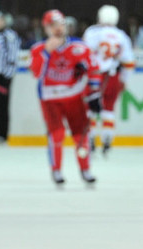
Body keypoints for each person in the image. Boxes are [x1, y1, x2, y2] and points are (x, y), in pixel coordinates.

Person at [29, 10, 101, 185]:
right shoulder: (38, 49)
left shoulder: (80, 47)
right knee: (56, 135)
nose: (58, 29)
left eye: (60, 24)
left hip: (74, 96)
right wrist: (46, 52)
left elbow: (94, 69)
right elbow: (36, 72)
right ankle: (56, 170)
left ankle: (85, 169)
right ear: (46, 28)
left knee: (81, 135)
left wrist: (93, 93)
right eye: (53, 25)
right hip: (49, 98)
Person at [83, 5, 135, 155]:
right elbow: (129, 63)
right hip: (112, 76)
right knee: (109, 107)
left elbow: (83, 55)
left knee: (90, 107)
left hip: (93, 75)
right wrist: (124, 79)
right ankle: (107, 139)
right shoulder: (122, 36)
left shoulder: (91, 32)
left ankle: (90, 138)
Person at [0, 10, 20, 144]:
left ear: (4, 21)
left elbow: (13, 57)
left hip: (3, 76)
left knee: (1, 105)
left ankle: (2, 134)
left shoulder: (10, 36)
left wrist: (7, 77)